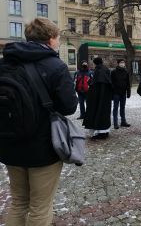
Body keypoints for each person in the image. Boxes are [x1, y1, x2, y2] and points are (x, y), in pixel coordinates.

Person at [0, 18, 78, 226]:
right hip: (43, 146)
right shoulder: (56, 66)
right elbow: (69, 107)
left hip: (9, 143)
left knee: (18, 202)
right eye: (58, 37)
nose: (58, 41)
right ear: (51, 39)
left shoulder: (4, 63)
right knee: (40, 206)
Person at [83, 57, 113, 139]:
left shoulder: (99, 70)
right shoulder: (105, 69)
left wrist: (90, 83)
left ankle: (101, 133)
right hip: (105, 97)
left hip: (98, 97)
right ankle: (104, 132)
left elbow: (97, 84)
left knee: (98, 113)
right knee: (104, 113)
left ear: (95, 63)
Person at [111, 58, 131, 129]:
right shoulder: (113, 72)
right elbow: (111, 83)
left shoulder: (126, 72)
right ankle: (115, 123)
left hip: (123, 93)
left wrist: (128, 92)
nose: (123, 63)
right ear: (118, 63)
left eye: (123, 62)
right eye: (121, 62)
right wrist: (112, 92)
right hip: (116, 93)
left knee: (123, 107)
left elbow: (128, 83)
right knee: (115, 108)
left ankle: (123, 121)